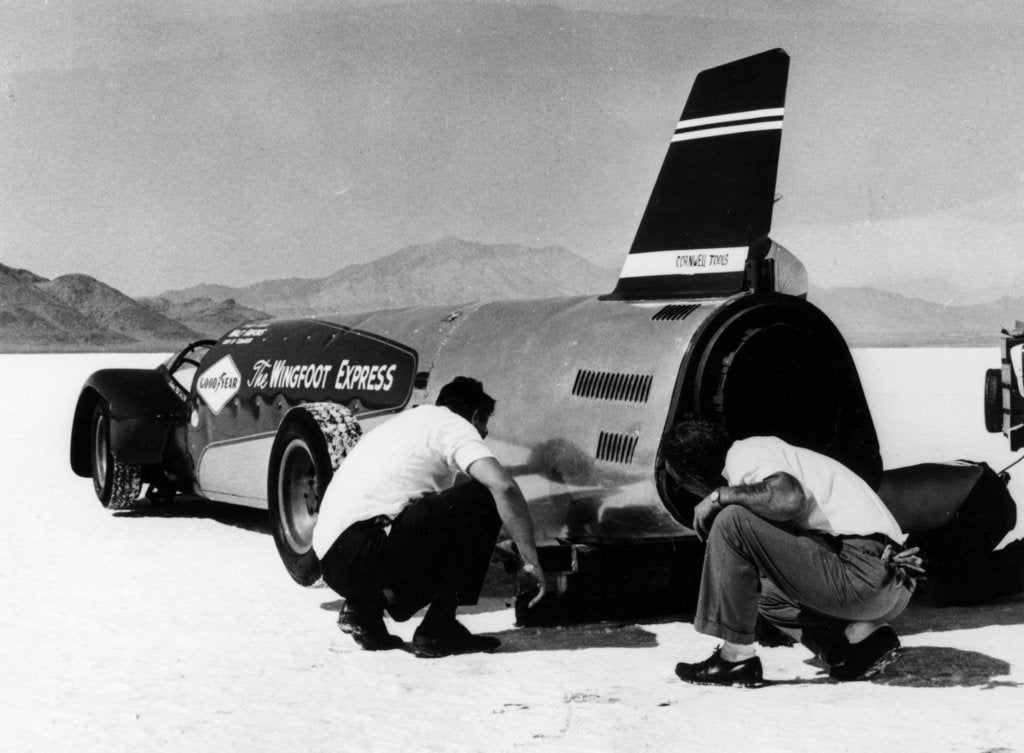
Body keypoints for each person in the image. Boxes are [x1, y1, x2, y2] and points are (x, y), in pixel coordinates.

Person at [662, 419, 924, 686]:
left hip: (864, 574)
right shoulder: (771, 454)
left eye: (681, 484)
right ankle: (858, 643)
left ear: (694, 479)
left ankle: (735, 660)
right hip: (891, 583)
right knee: (769, 596)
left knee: (731, 519)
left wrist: (718, 496)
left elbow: (789, 498)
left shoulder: (744, 454)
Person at [312, 376, 546, 658]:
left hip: (333, 564)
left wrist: (496, 552)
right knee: (486, 495)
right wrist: (530, 562)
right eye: (484, 423)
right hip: (366, 548)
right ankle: (439, 629)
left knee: (439, 526)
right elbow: (503, 487)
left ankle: (366, 608)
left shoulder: (408, 424)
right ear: (475, 415)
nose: (484, 433)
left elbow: (432, 532)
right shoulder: (454, 425)